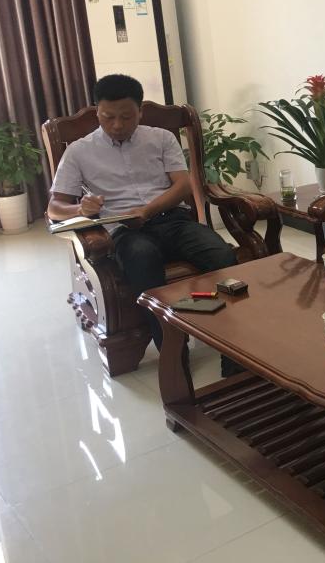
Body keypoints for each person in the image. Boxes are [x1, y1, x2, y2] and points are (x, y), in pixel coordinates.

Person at [47, 74, 237, 356]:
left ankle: (229, 341)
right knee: (142, 258)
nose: (117, 125)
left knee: (221, 255)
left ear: (140, 112)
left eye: (126, 117)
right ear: (97, 111)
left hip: (172, 220)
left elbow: (183, 184)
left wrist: (147, 210)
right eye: (108, 117)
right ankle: (172, 350)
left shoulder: (160, 138)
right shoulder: (79, 151)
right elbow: (54, 207)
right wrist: (80, 209)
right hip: (124, 230)